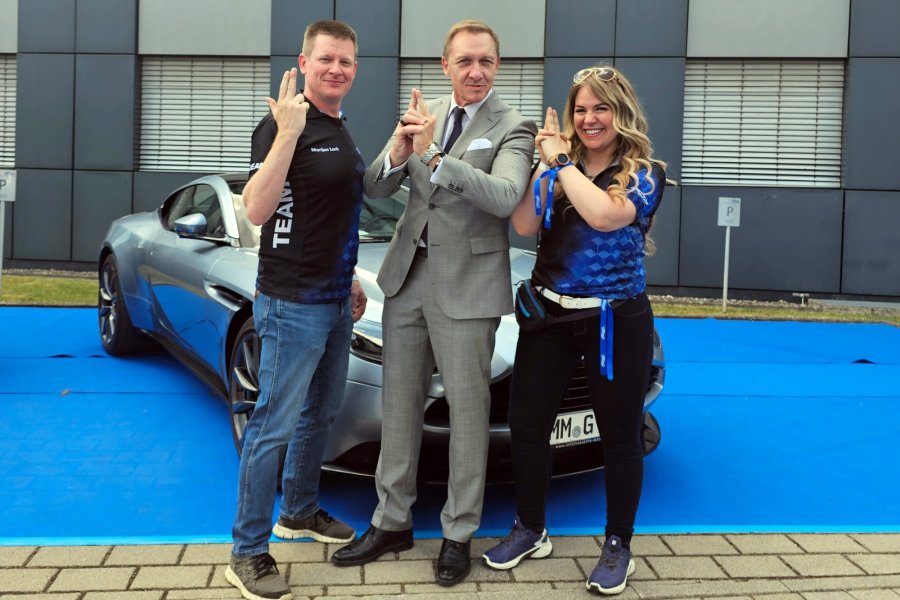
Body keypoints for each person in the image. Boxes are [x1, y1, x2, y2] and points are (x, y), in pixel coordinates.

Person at [330, 19, 536, 586]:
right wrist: (401, 149)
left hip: (468, 285)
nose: (476, 71)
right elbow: (375, 187)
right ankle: (391, 521)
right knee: (399, 407)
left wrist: (438, 156)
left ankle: (458, 533)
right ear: (445, 66)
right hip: (406, 280)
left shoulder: (513, 126)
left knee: (468, 415)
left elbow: (505, 197)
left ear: (498, 66)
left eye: (486, 61)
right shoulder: (426, 114)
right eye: (464, 61)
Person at [481, 65, 666, 597]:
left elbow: (605, 216)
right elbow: (523, 224)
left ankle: (618, 545)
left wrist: (561, 164)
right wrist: (538, 166)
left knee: (620, 435)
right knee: (527, 425)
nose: (589, 119)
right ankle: (531, 528)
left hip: (614, 319)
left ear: (621, 112)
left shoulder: (644, 173)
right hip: (550, 315)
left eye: (600, 108)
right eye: (581, 109)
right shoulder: (560, 169)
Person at [225, 20, 367, 600]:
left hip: (334, 298)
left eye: (346, 61)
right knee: (272, 426)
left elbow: (323, 213)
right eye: (326, 58)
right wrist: (287, 133)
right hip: (291, 303)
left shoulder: (338, 124)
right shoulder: (281, 123)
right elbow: (259, 210)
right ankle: (247, 552)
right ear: (304, 63)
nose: (337, 69)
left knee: (321, 413)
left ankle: (299, 512)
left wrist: (349, 277)